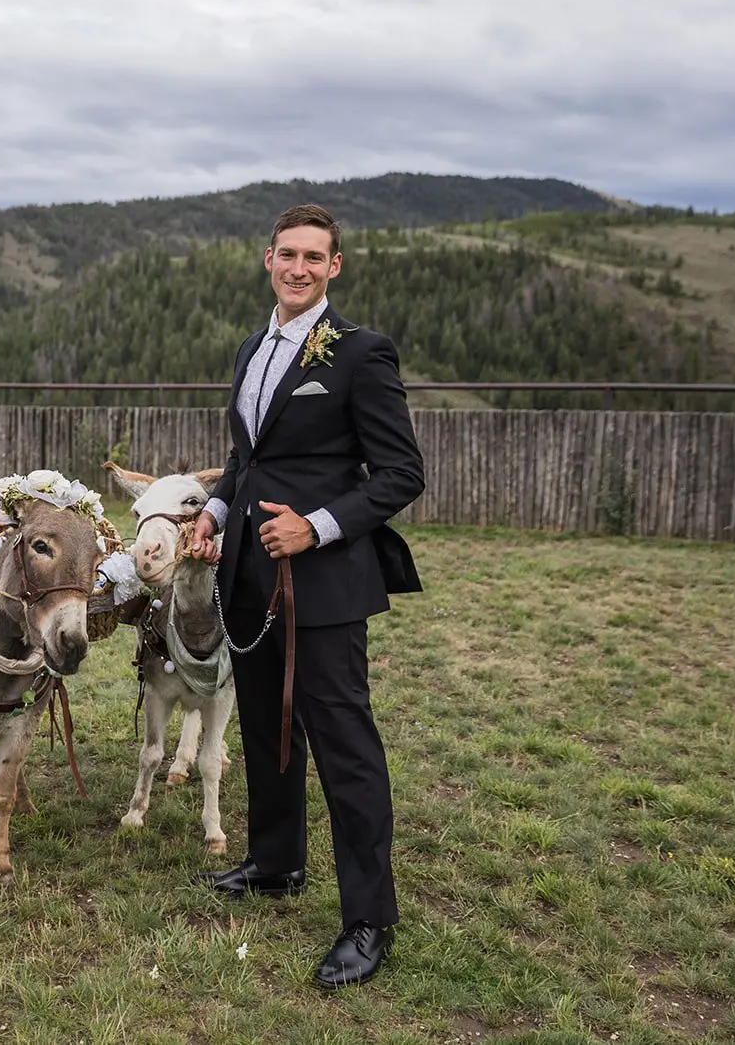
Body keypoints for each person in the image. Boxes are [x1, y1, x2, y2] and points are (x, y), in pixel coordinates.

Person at [188, 205, 424, 990]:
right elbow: (246, 456)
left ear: (335, 266)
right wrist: (216, 511)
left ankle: (368, 919)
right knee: (266, 725)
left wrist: (318, 527)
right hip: (248, 575)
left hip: (322, 581)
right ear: (268, 259)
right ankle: (276, 859)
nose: (297, 267)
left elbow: (400, 474)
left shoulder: (360, 354)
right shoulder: (255, 346)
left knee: (344, 744)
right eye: (286, 254)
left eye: (312, 257)